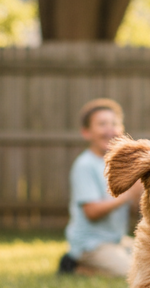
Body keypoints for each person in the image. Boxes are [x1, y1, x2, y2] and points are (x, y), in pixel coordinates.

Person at [59, 98, 143, 276]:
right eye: (102, 124)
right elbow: (92, 211)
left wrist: (138, 195)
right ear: (86, 132)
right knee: (134, 273)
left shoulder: (119, 166)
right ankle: (77, 266)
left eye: (114, 123)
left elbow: (132, 210)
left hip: (116, 240)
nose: (110, 129)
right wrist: (127, 194)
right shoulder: (85, 165)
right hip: (91, 245)